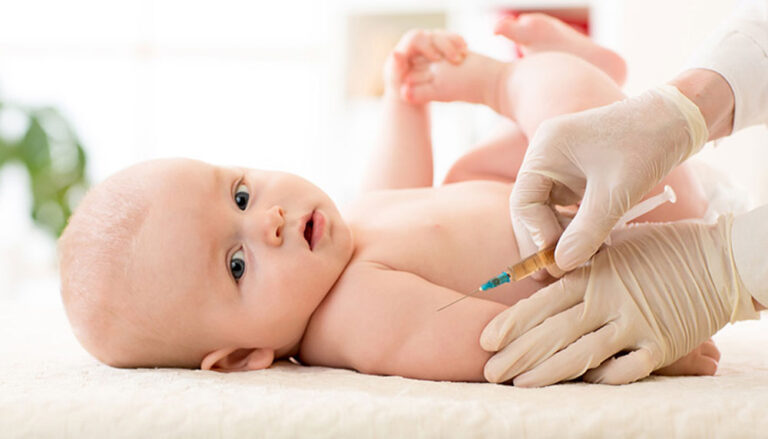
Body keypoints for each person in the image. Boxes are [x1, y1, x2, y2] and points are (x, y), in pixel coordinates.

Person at [59, 21, 716, 381]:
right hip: (639, 221)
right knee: (562, 115)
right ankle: (513, 80)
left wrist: (405, 99)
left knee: (466, 171)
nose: (270, 221)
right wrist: (642, 342)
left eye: (241, 194)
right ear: (239, 356)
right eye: (236, 263)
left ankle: (589, 76)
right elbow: (501, 345)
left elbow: (394, 191)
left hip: (581, 196)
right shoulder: (354, 319)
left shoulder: (339, 244)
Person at [482, 0, 768, 386]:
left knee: (498, 154)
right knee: (566, 118)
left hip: (670, 252)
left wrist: (724, 267)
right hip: (665, 232)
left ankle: (508, 80)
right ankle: (524, 78)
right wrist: (677, 112)